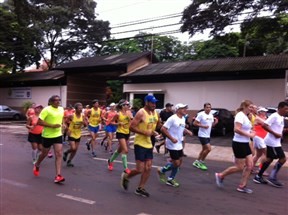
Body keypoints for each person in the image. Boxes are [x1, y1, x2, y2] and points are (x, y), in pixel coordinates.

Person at [120, 94, 161, 197]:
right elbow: (131, 127)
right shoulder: (141, 113)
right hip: (140, 143)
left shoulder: (155, 113)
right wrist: (144, 132)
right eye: (152, 102)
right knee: (140, 169)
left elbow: (156, 125)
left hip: (149, 143)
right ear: (146, 102)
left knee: (148, 167)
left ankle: (140, 188)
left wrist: (155, 132)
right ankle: (126, 176)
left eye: (155, 102)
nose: (154, 104)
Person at [215, 100, 255, 193]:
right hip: (239, 144)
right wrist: (249, 135)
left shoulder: (246, 116)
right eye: (250, 107)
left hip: (245, 143)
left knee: (250, 165)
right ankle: (220, 175)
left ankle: (242, 186)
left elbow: (247, 129)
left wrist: (251, 132)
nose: (252, 108)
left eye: (252, 107)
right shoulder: (240, 115)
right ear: (244, 106)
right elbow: (236, 129)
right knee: (240, 167)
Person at [253, 101, 288, 187]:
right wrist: (275, 134)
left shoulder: (281, 117)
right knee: (283, 158)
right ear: (279, 108)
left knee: (269, 159)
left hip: (275, 142)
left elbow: (276, 128)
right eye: (285, 109)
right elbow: (264, 125)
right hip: (272, 142)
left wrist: (283, 131)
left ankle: (258, 176)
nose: (287, 110)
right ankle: (272, 177)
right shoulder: (274, 116)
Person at [157, 103, 193, 187]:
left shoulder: (183, 118)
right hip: (172, 144)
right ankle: (162, 171)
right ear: (178, 110)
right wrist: (171, 138)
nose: (185, 110)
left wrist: (187, 131)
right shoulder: (172, 118)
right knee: (176, 163)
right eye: (183, 108)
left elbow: (181, 127)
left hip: (179, 143)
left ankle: (170, 179)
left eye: (185, 108)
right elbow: (163, 129)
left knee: (179, 162)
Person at [33, 95, 65, 183]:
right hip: (47, 136)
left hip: (58, 134)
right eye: (55, 100)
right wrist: (52, 125)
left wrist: (63, 124)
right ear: (51, 102)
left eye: (59, 100)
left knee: (59, 154)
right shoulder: (46, 109)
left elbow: (62, 118)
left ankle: (58, 176)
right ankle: (37, 164)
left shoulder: (61, 109)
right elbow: (39, 122)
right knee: (44, 153)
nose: (58, 102)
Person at [108, 99, 133, 173]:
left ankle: (110, 161)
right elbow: (111, 122)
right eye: (127, 105)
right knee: (125, 150)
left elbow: (132, 120)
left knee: (119, 150)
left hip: (127, 132)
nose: (128, 106)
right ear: (122, 106)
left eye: (128, 105)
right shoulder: (118, 114)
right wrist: (118, 124)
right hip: (120, 132)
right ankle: (126, 168)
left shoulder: (129, 112)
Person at [193, 103, 218, 170]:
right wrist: (203, 126)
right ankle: (201, 162)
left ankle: (196, 161)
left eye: (209, 107)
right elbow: (194, 123)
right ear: (204, 108)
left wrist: (215, 123)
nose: (208, 108)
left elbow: (211, 125)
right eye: (207, 107)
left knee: (204, 149)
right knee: (208, 149)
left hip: (207, 135)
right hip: (202, 134)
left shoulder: (211, 115)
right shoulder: (201, 114)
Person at [63, 103, 86, 167]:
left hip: (78, 133)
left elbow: (85, 124)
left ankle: (69, 161)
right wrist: (67, 128)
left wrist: (84, 123)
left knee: (75, 149)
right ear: (75, 109)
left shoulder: (83, 116)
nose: (81, 110)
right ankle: (66, 152)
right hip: (71, 133)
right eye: (79, 108)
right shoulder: (72, 116)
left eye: (81, 108)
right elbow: (65, 122)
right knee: (73, 148)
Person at [251, 107, 268, 174]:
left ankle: (250, 167)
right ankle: (261, 169)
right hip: (259, 137)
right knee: (266, 154)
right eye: (263, 111)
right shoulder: (258, 118)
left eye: (265, 111)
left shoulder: (264, 118)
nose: (265, 113)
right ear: (260, 112)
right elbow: (267, 124)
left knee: (258, 155)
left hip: (262, 138)